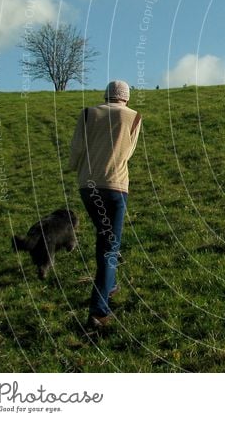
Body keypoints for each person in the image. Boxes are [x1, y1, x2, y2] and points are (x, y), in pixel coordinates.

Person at [69, 80, 141, 329]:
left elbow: (76, 150)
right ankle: (98, 312)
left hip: (87, 187)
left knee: (104, 238)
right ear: (126, 98)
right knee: (109, 248)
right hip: (116, 187)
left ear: (105, 95)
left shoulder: (88, 113)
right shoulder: (134, 117)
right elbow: (128, 153)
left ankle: (109, 285)